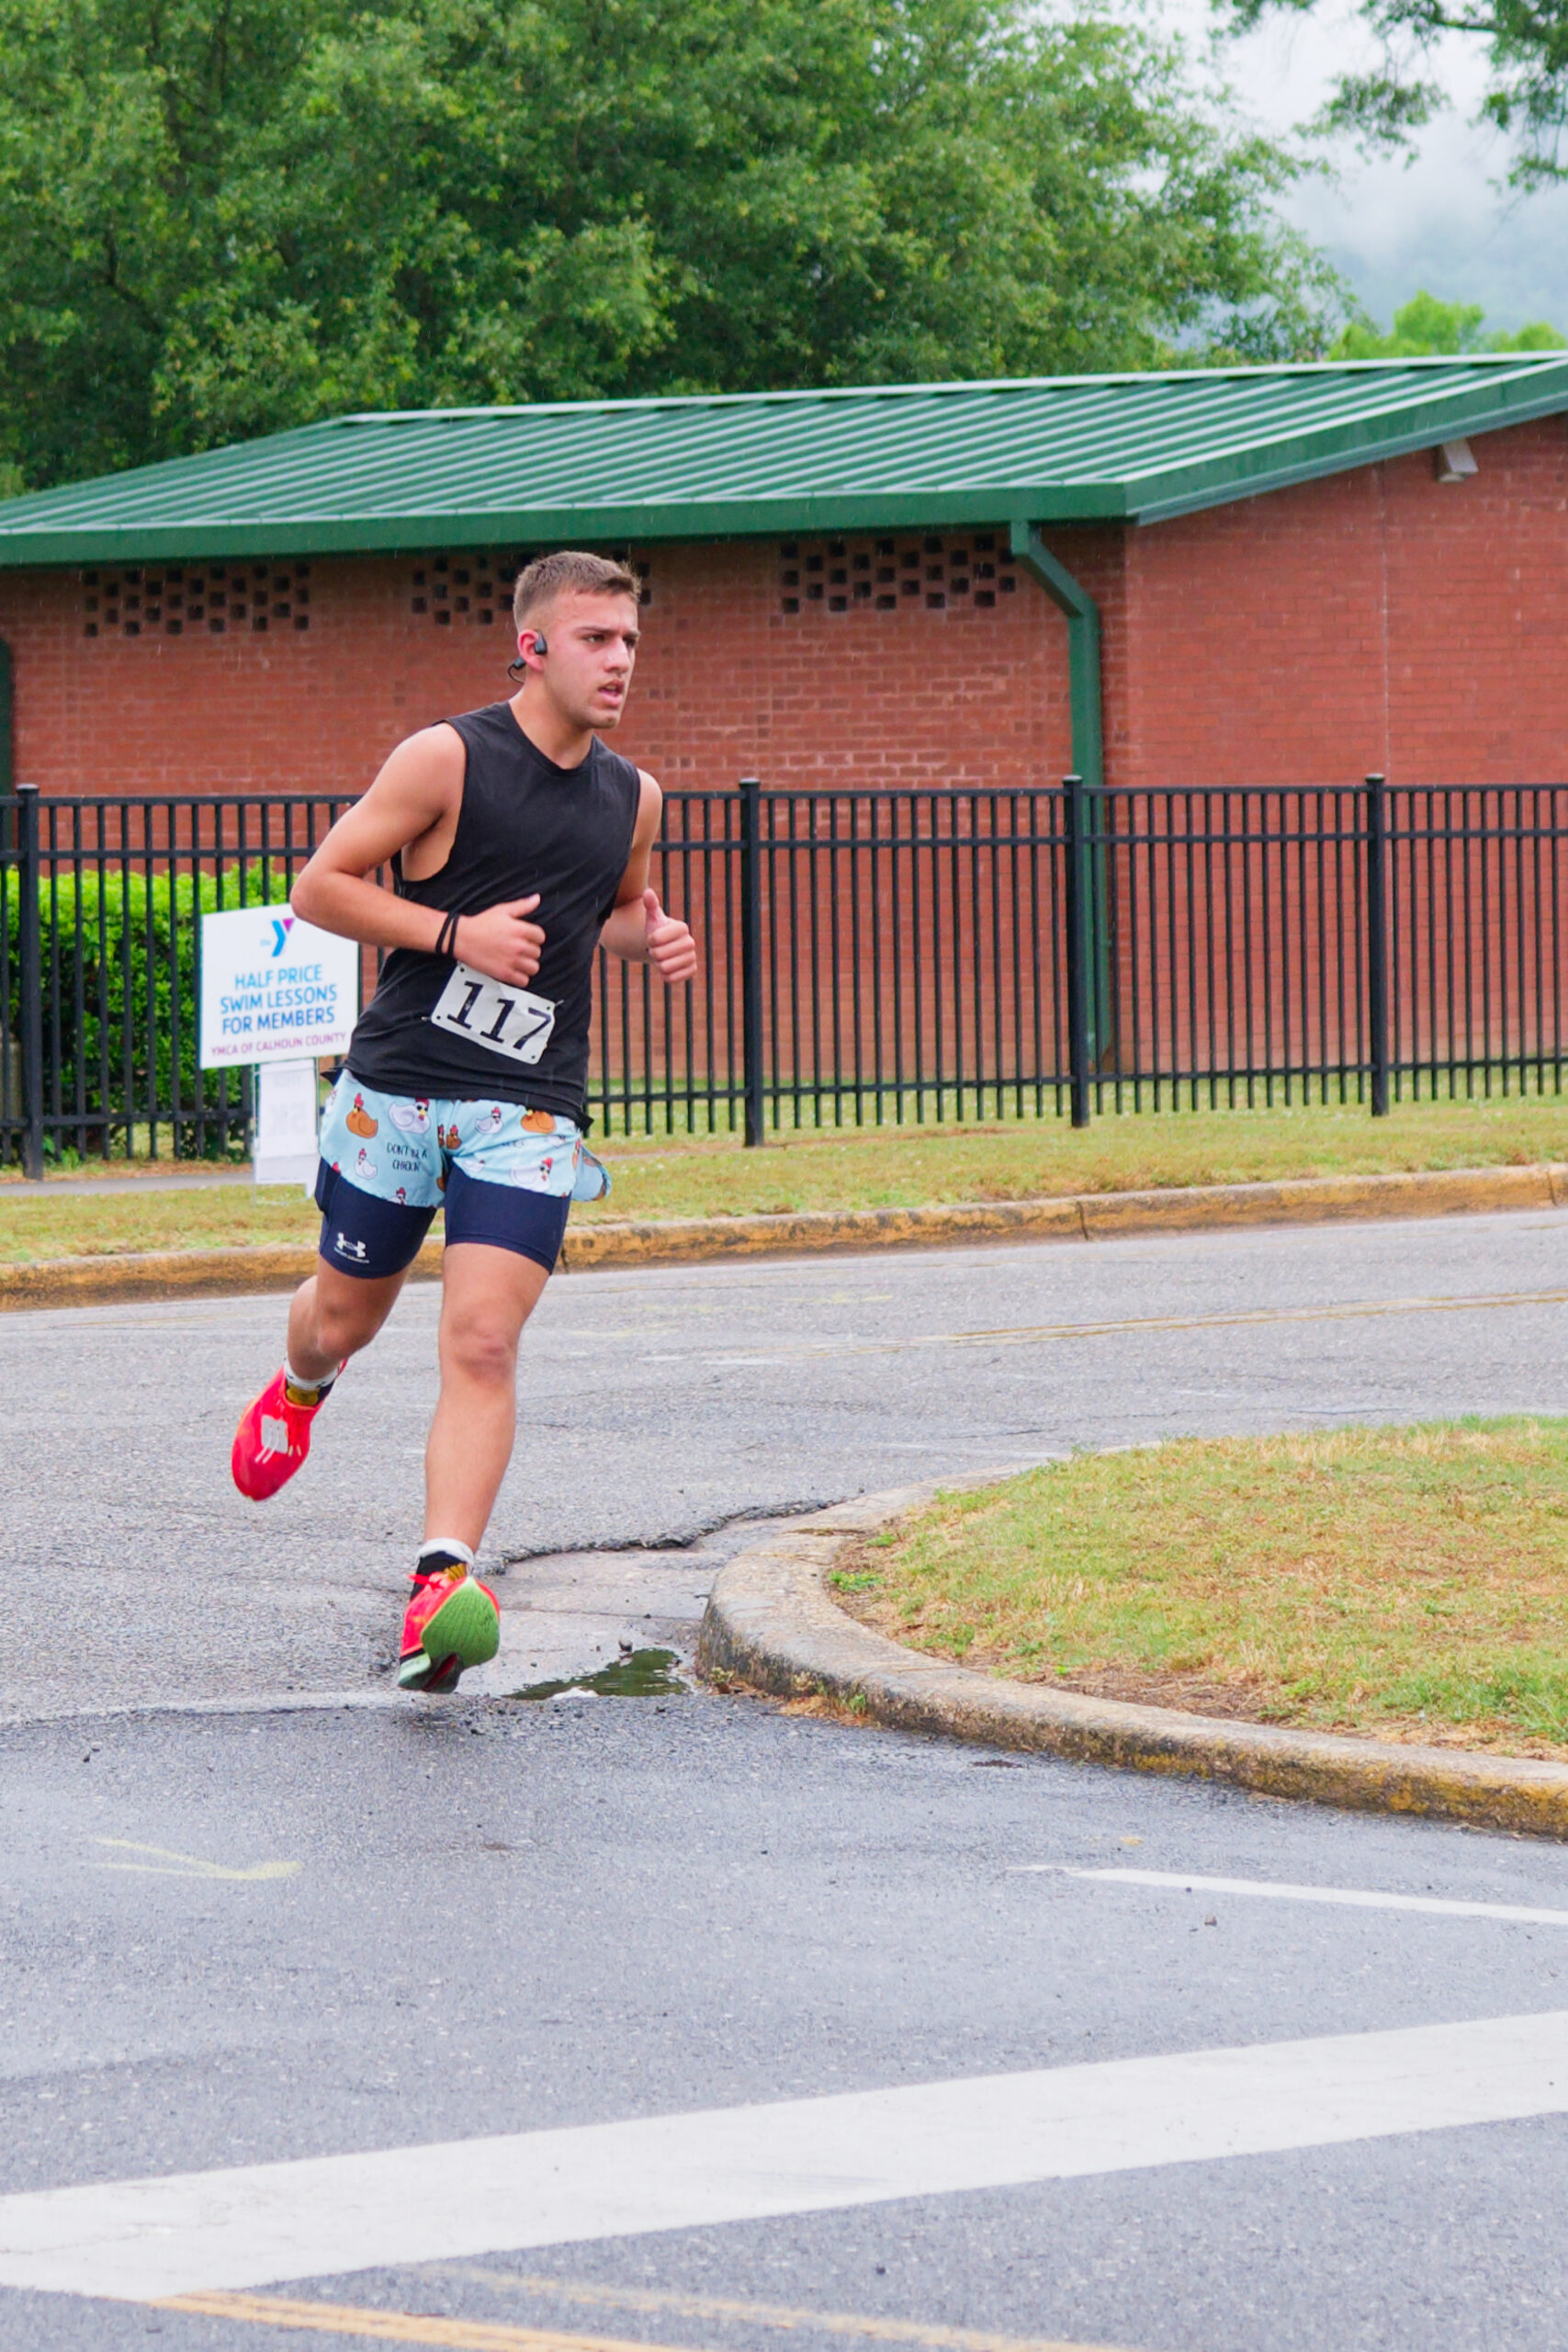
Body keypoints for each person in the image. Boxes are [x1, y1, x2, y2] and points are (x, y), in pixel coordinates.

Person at [230, 549, 697, 1692]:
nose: (621, 662)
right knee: (343, 1319)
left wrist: (652, 936)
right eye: (597, 639)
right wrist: (455, 935)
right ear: (532, 647)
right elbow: (319, 887)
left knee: (483, 1340)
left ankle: (440, 1585)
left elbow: (605, 916)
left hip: (529, 1110)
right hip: (397, 1092)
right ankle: (299, 1382)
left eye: (631, 642)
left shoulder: (633, 796)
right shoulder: (447, 757)